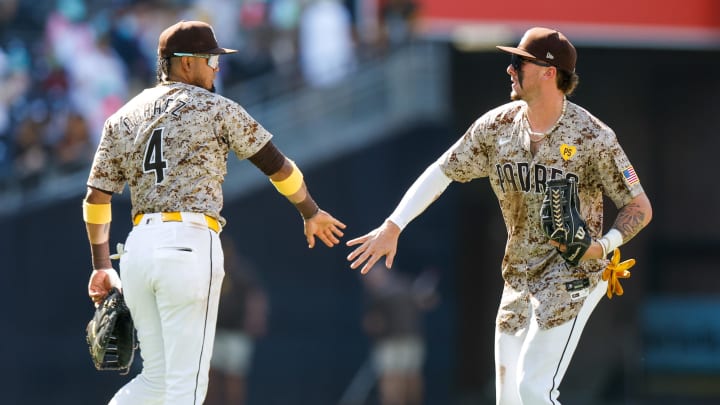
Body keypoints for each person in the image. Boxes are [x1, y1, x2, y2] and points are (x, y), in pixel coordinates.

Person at [346, 27, 652, 404]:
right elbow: (442, 171)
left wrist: (604, 245)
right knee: (508, 399)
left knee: (534, 390)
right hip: (519, 276)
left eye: (518, 62)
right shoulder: (497, 127)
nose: (509, 69)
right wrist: (394, 225)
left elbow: (639, 206)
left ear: (548, 72)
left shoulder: (593, 136)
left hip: (572, 274)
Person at [82, 20, 346, 405]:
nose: (216, 68)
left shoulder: (124, 115)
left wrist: (102, 264)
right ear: (185, 63)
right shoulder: (216, 108)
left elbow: (96, 198)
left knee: (155, 380)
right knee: (188, 388)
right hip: (188, 244)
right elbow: (279, 166)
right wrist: (310, 211)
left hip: (137, 250)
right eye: (210, 60)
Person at [361, 264, 438, 405]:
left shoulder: (403, 287)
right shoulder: (376, 295)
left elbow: (429, 302)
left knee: (409, 378)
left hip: (408, 340)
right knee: (391, 378)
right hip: (389, 342)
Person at [206, 235, 269, 405]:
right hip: (212, 334)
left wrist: (256, 319)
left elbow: (256, 297)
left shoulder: (241, 271)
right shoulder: (207, 271)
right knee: (209, 379)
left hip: (237, 334)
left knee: (234, 379)